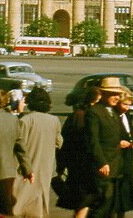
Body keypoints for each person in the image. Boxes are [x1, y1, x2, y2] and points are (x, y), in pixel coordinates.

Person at [13, 85, 62, 218]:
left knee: (18, 206)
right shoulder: (55, 121)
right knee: (39, 207)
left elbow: (19, 144)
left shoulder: (25, 120)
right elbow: (59, 142)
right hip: (45, 170)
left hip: (25, 170)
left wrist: (19, 112)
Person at [57, 86, 101, 218]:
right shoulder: (91, 116)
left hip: (74, 165)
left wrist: (61, 165)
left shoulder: (75, 115)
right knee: (84, 203)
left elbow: (64, 142)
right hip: (86, 166)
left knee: (81, 203)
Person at [86, 77, 126, 218]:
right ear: (104, 94)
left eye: (118, 94)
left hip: (116, 167)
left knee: (110, 207)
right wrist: (101, 162)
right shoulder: (94, 112)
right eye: (113, 94)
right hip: (103, 167)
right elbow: (93, 141)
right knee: (102, 203)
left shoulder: (114, 112)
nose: (117, 98)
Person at [112, 89, 133, 218]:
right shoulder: (113, 116)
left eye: (129, 105)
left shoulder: (126, 115)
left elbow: (128, 129)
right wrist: (118, 143)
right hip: (117, 159)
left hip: (127, 159)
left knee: (124, 192)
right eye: (125, 104)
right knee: (115, 193)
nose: (127, 108)